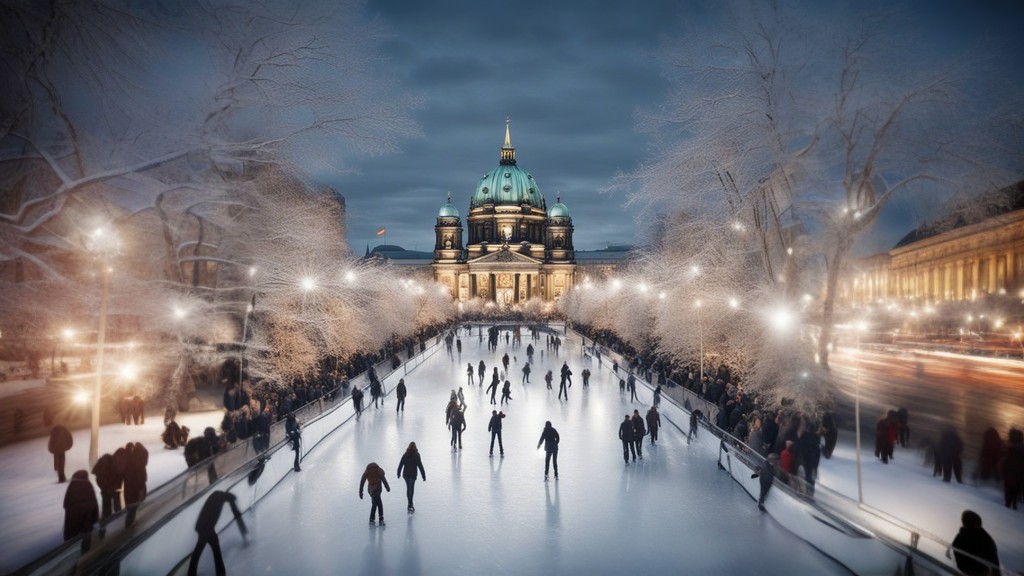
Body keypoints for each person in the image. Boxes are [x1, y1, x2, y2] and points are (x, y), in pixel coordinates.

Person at [187, 490, 248, 576]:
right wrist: (244, 532)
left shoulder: (218, 495)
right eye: (232, 502)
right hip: (205, 528)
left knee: (207, 550)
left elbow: (208, 513)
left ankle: (219, 573)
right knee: (201, 550)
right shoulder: (221, 498)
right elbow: (235, 513)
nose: (232, 505)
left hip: (205, 526)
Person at [950, 510, 1000, 576]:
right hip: (981, 572)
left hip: (964, 570)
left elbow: (953, 550)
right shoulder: (984, 537)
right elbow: (994, 560)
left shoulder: (961, 535)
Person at [63, 470, 99, 554]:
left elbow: (65, 504)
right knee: (86, 538)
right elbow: (94, 504)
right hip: (86, 520)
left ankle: (70, 559)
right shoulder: (88, 485)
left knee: (71, 542)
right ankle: (85, 556)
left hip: (71, 519)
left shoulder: (72, 486)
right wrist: (95, 518)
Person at [123, 441, 148, 528]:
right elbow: (140, 478)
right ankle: (129, 523)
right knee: (133, 505)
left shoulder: (131, 460)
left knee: (132, 504)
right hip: (135, 488)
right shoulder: (138, 465)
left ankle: (130, 521)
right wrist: (141, 490)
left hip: (130, 488)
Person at [91, 451, 123, 519]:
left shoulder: (100, 464)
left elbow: (97, 476)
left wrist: (102, 486)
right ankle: (119, 517)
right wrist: (117, 485)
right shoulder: (114, 463)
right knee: (117, 504)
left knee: (106, 505)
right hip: (114, 488)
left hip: (104, 489)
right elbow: (119, 475)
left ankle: (106, 518)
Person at [396, 442, 426, 512]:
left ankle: (409, 504)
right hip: (413, 474)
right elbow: (420, 466)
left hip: (406, 474)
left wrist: (398, 473)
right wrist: (423, 475)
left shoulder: (405, 454)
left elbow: (400, 464)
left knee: (408, 488)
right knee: (411, 489)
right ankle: (410, 504)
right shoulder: (417, 455)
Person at [1001, 428, 1023, 510]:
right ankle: (1014, 504)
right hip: (1018, 475)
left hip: (1009, 474)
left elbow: (1003, 462)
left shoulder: (1008, 448)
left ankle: (1008, 505)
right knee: (1015, 490)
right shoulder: (1021, 449)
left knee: (1008, 490)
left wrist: (1002, 473)